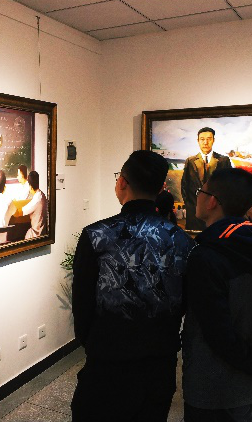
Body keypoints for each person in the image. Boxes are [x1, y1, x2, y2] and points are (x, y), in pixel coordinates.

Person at [71, 150, 194, 422]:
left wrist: (93, 341)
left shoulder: (97, 235)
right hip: (159, 359)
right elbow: (184, 301)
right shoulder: (181, 240)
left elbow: (82, 303)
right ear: (161, 188)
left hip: (108, 356)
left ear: (122, 182)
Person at [181, 168, 252, 422]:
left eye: (200, 192)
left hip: (211, 386)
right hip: (249, 385)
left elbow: (218, 334)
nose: (198, 197)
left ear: (212, 201)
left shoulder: (206, 255)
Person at [181, 127, 233, 231]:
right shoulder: (190, 161)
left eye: (209, 139)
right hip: (194, 213)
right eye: (202, 139)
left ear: (213, 140)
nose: (205, 142)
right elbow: (184, 186)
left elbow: (229, 185)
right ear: (198, 141)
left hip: (217, 214)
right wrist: (191, 206)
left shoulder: (223, 160)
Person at [17, 171, 47, 239]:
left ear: (30, 186)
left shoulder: (36, 200)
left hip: (36, 234)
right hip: (42, 230)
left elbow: (19, 212)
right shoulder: (42, 195)